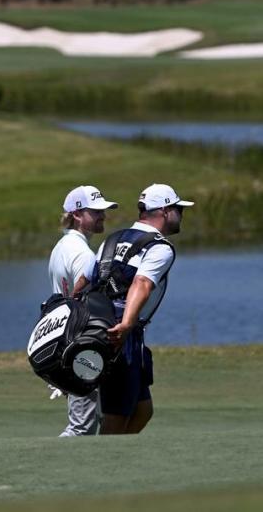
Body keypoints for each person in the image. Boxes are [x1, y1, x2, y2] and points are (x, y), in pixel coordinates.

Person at [94, 183, 194, 435]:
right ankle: (102, 466)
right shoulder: (160, 247)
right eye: (178, 209)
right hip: (122, 331)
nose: (181, 214)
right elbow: (142, 283)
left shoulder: (113, 239)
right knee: (116, 415)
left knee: (142, 409)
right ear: (164, 211)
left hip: (103, 323)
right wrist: (127, 324)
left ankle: (119, 458)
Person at [47, 184, 118, 437]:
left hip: (67, 340)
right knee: (82, 426)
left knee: (87, 421)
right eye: (96, 211)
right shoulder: (83, 253)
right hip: (81, 343)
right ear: (77, 215)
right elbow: (80, 293)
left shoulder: (61, 247)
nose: (103, 216)